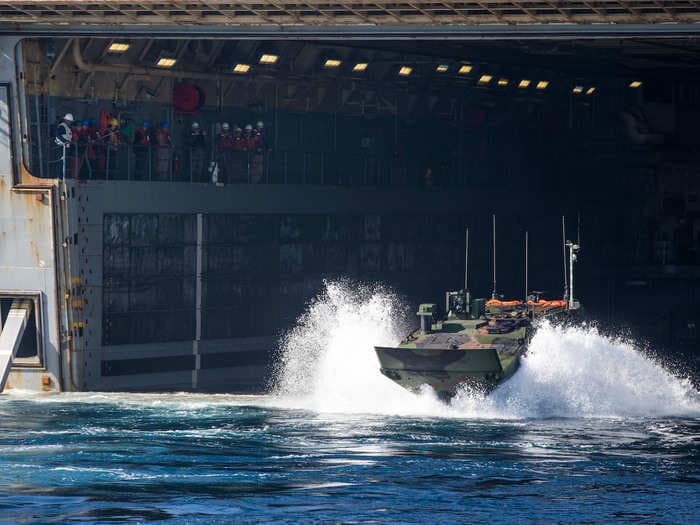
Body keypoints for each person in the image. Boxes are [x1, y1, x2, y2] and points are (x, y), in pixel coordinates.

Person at [53, 113, 74, 178]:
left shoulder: (67, 127)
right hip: (61, 147)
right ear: (66, 120)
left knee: (63, 163)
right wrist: (65, 141)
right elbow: (57, 135)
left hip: (65, 148)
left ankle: (61, 176)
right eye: (70, 121)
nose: (70, 122)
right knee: (60, 163)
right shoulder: (62, 126)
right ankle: (58, 177)